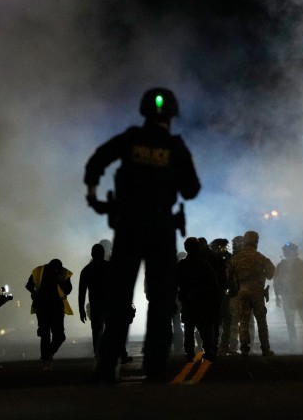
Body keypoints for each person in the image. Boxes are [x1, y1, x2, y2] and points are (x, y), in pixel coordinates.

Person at [84, 87, 200, 383]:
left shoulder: (131, 139)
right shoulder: (175, 147)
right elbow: (191, 189)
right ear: (172, 115)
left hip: (129, 227)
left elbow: (97, 160)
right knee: (162, 302)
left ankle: (107, 367)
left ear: (143, 111)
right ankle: (155, 369)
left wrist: (94, 194)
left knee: (119, 300)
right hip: (161, 229)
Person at [227, 230, 276, 356]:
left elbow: (229, 277)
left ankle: (244, 348)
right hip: (258, 292)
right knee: (261, 320)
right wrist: (262, 275)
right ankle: (265, 348)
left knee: (243, 320)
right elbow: (271, 273)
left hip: (242, 291)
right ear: (256, 242)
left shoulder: (236, 258)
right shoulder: (260, 257)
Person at [177, 236, 220, 361]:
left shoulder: (182, 264)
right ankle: (209, 351)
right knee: (205, 327)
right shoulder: (203, 264)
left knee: (189, 328)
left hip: (188, 301)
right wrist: (215, 299)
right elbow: (213, 282)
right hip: (202, 301)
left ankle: (189, 353)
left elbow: (176, 282)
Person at [26, 258, 74, 370]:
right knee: (54, 335)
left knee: (47, 335)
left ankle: (46, 356)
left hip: (45, 307)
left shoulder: (38, 271)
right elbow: (68, 290)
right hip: (51, 307)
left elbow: (29, 285)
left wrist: (33, 292)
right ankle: (46, 358)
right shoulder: (62, 272)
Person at [274, 242, 303, 351]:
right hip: (288, 298)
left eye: (291, 250)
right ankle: (294, 344)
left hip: (301, 297)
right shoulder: (281, 265)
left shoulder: (302, 264)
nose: (289, 252)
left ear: (295, 251)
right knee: (291, 323)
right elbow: (276, 281)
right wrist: (277, 296)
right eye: (287, 250)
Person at [78, 243, 110, 370]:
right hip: (108, 305)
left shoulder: (86, 270)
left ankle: (98, 354)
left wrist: (81, 309)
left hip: (96, 305)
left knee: (96, 331)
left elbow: (82, 292)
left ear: (92, 254)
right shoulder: (109, 267)